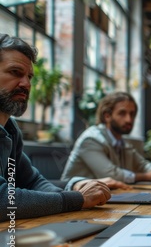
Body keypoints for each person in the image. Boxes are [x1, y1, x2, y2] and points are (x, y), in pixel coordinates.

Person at [0, 33, 112, 221]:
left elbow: (32, 181)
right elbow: (3, 200)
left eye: (29, 76)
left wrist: (74, 189)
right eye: (15, 72)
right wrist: (76, 199)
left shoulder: (10, 129)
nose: (26, 84)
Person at [61, 92, 151, 183]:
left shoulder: (122, 142)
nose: (129, 120)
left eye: (132, 114)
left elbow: (143, 165)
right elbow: (111, 175)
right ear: (107, 116)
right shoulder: (90, 140)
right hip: (74, 202)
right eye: (122, 113)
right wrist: (147, 176)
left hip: (102, 198)